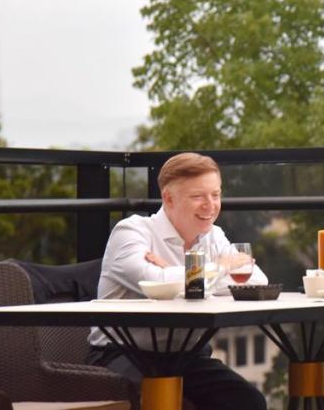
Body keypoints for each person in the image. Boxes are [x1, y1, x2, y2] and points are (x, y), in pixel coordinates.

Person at [87, 152, 268, 410]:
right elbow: (154, 281)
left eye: (215, 195)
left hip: (185, 357)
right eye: (198, 196)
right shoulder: (132, 232)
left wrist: (176, 272)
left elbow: (256, 281)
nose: (210, 205)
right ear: (168, 198)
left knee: (248, 402)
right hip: (123, 354)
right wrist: (219, 268)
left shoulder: (213, 236)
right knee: (164, 404)